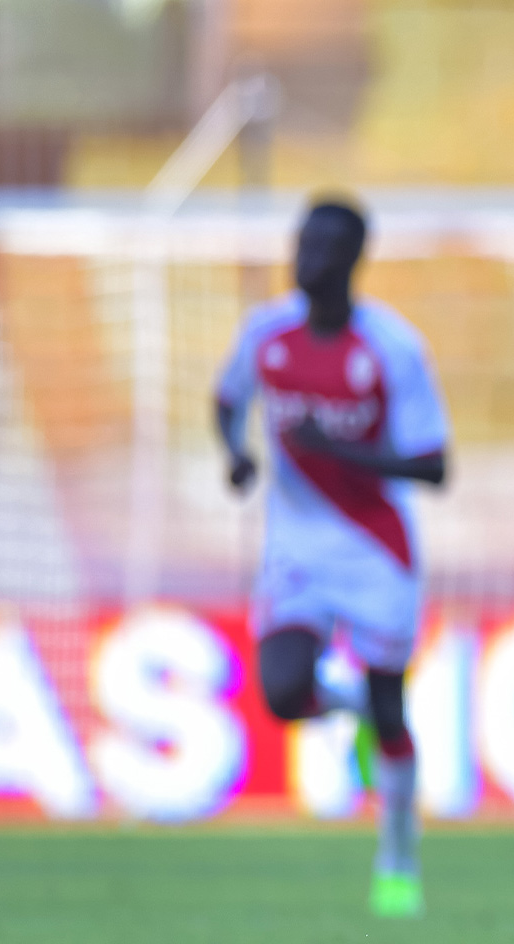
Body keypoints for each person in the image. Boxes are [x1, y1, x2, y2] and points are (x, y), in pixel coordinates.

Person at [215, 196, 450, 919]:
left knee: (391, 705)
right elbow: (227, 400)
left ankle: (398, 862)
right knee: (283, 692)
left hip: (376, 548)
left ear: (351, 260)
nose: (305, 256)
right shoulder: (266, 332)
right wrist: (237, 453)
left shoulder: (392, 347)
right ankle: (348, 712)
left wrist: (334, 446)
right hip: (296, 547)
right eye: (301, 241)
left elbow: (434, 466)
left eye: (322, 246)